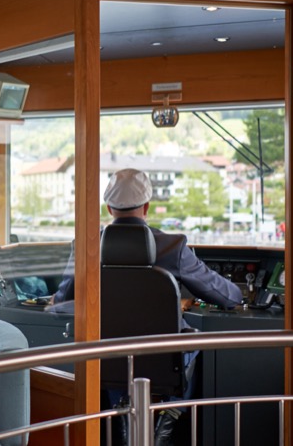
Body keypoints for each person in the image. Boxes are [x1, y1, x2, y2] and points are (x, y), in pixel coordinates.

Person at [51, 168, 243, 445]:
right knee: (195, 341)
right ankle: (169, 414)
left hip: (106, 359)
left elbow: (62, 302)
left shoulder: (85, 246)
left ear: (109, 208)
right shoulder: (173, 247)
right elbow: (228, 297)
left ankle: (124, 413)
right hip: (163, 362)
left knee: (115, 362)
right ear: (147, 206)